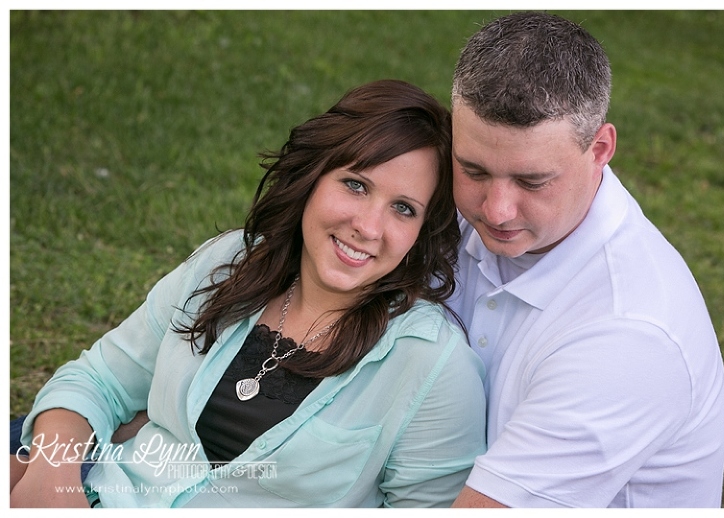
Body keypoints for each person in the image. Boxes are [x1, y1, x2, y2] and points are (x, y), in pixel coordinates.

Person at [9, 79, 487, 508]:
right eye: (355, 185)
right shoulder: (229, 260)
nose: (368, 226)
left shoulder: (431, 365)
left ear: (423, 231)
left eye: (403, 208)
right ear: (313, 178)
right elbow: (100, 381)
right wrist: (52, 478)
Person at [447, 12, 724, 508]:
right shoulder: (431, 204)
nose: (495, 210)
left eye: (532, 181)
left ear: (600, 149)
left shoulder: (630, 332)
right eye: (473, 170)